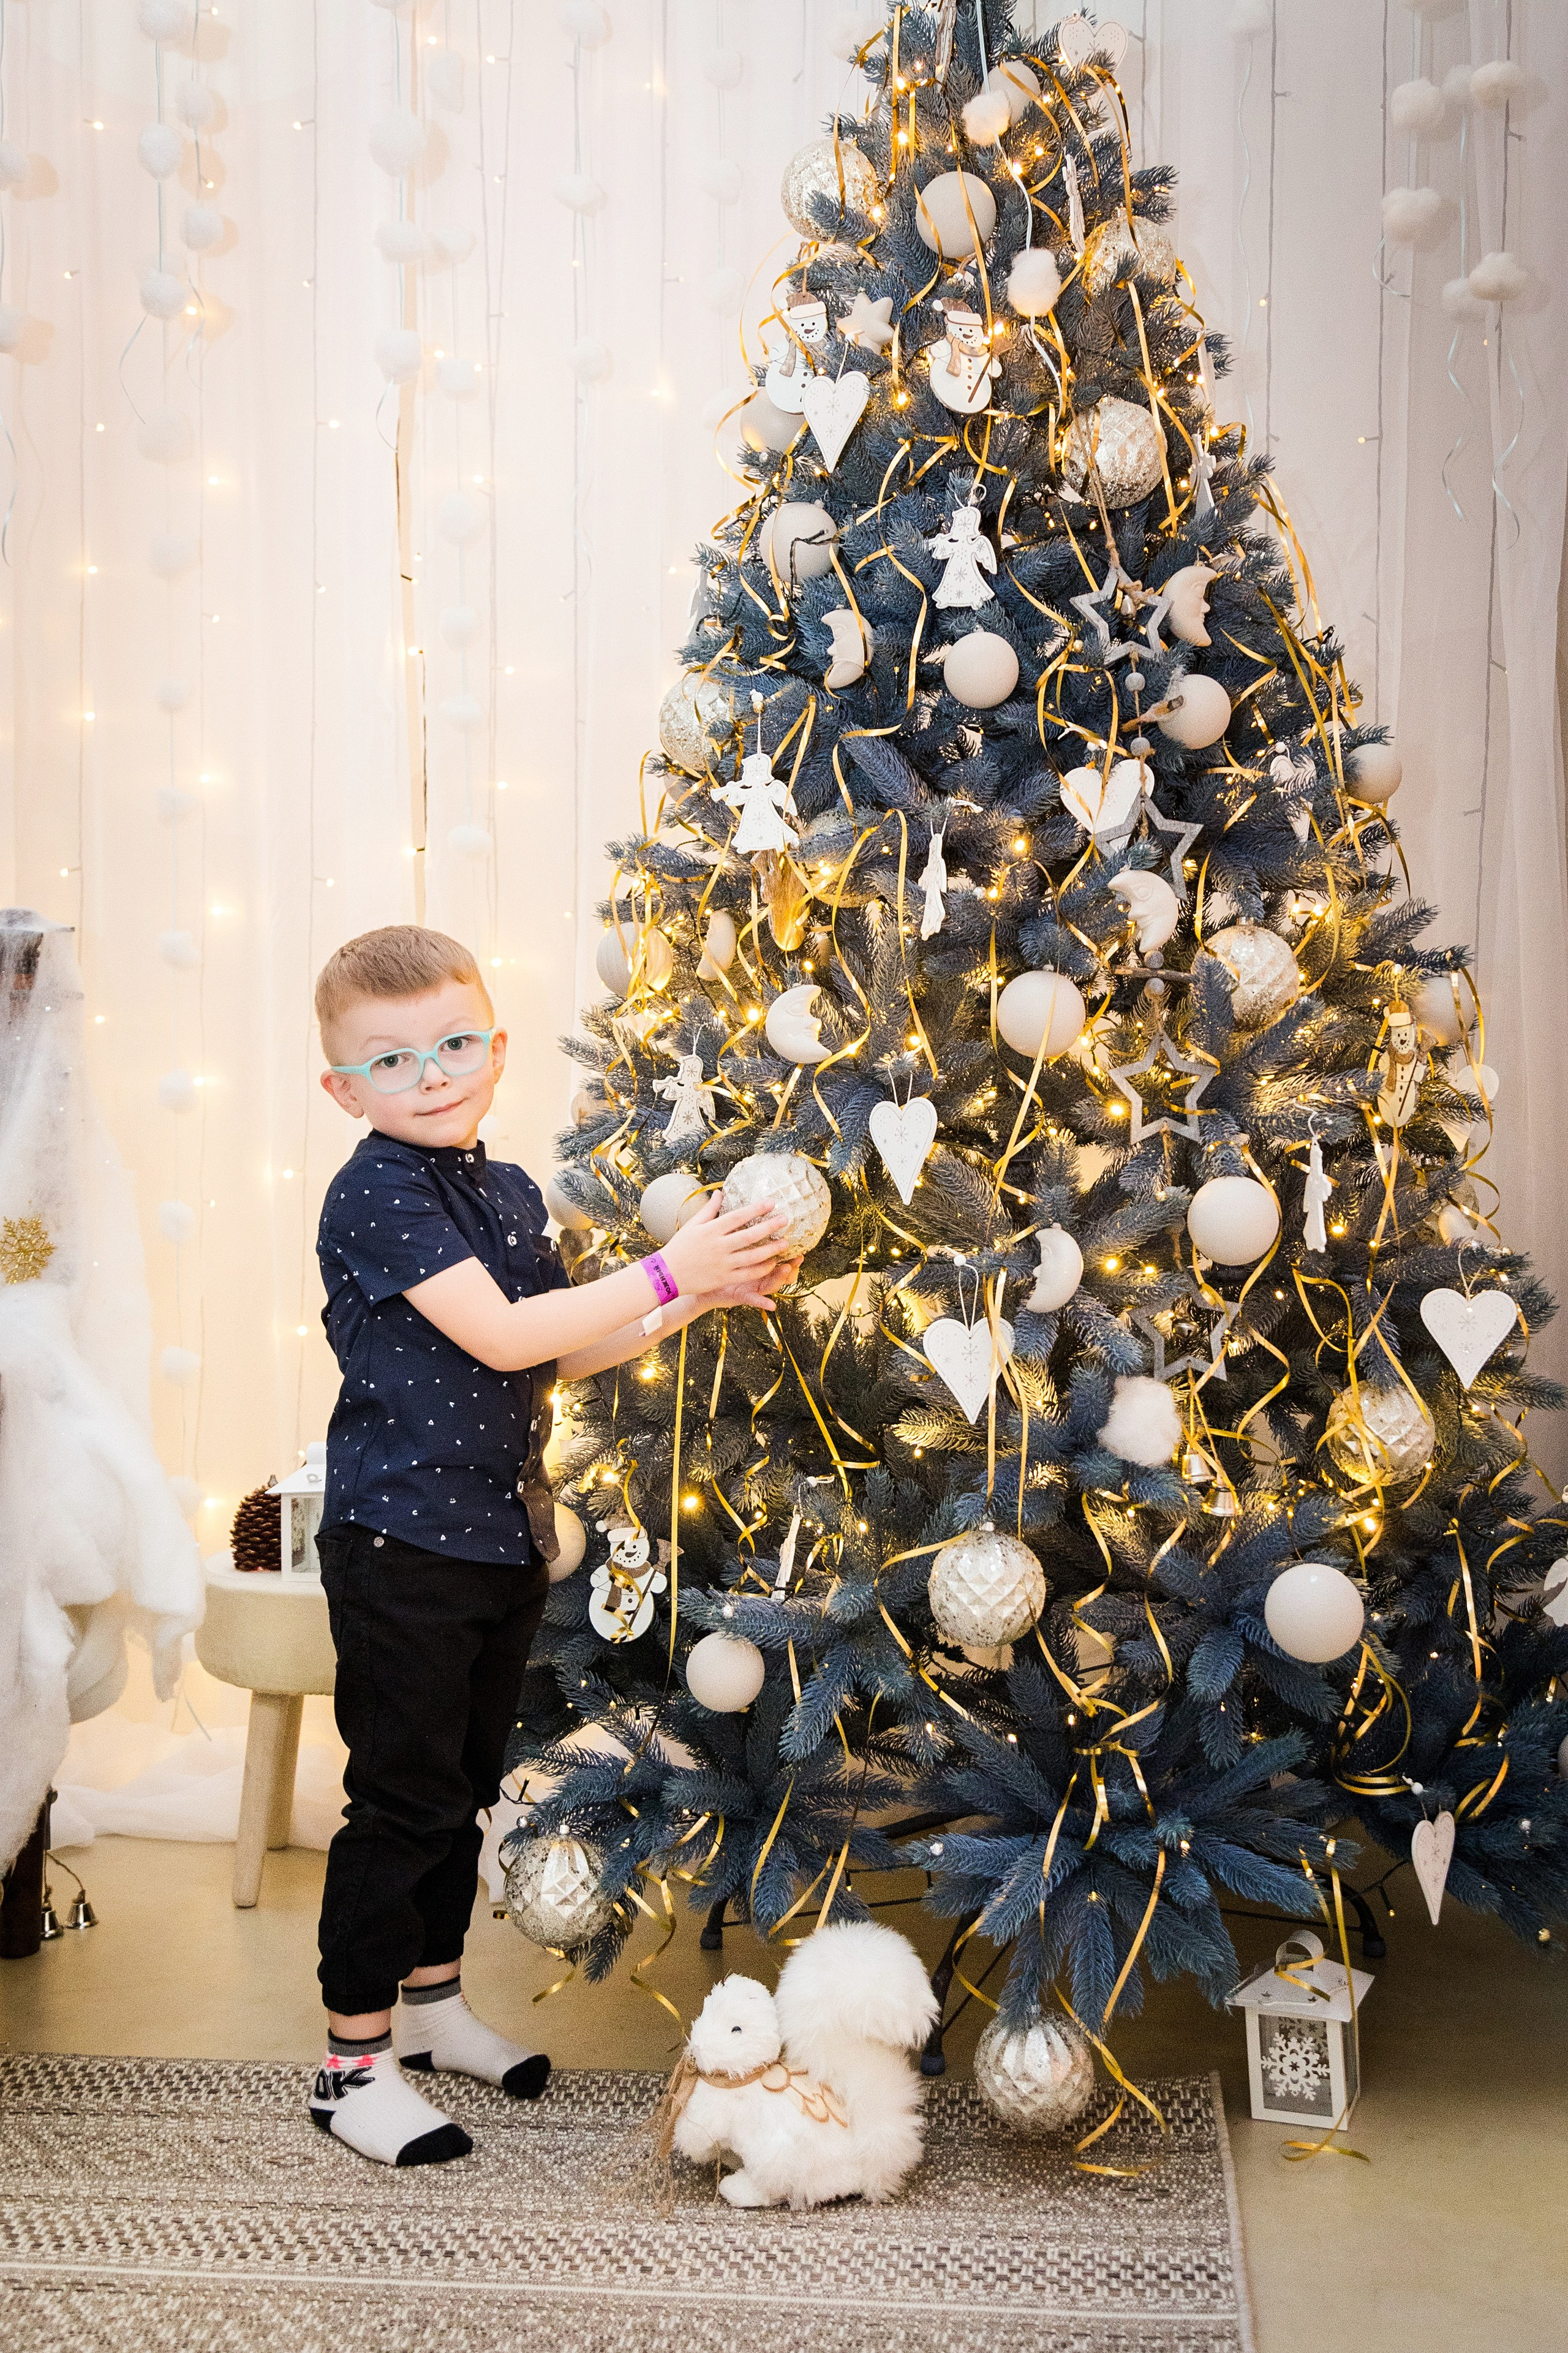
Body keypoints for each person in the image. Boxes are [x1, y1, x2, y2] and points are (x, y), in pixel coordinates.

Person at [307, 924, 793, 2167]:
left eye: (454, 1043)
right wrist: (667, 1262)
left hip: (497, 1539)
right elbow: (507, 1337)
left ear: (498, 1048)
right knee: (401, 1800)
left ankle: (431, 2007)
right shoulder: (376, 1192)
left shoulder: (508, 1189)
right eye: (392, 1058)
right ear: (345, 1089)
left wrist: (696, 1292)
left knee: (463, 1788)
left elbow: (563, 1347)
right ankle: (351, 2064)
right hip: (400, 1544)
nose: (431, 1074)